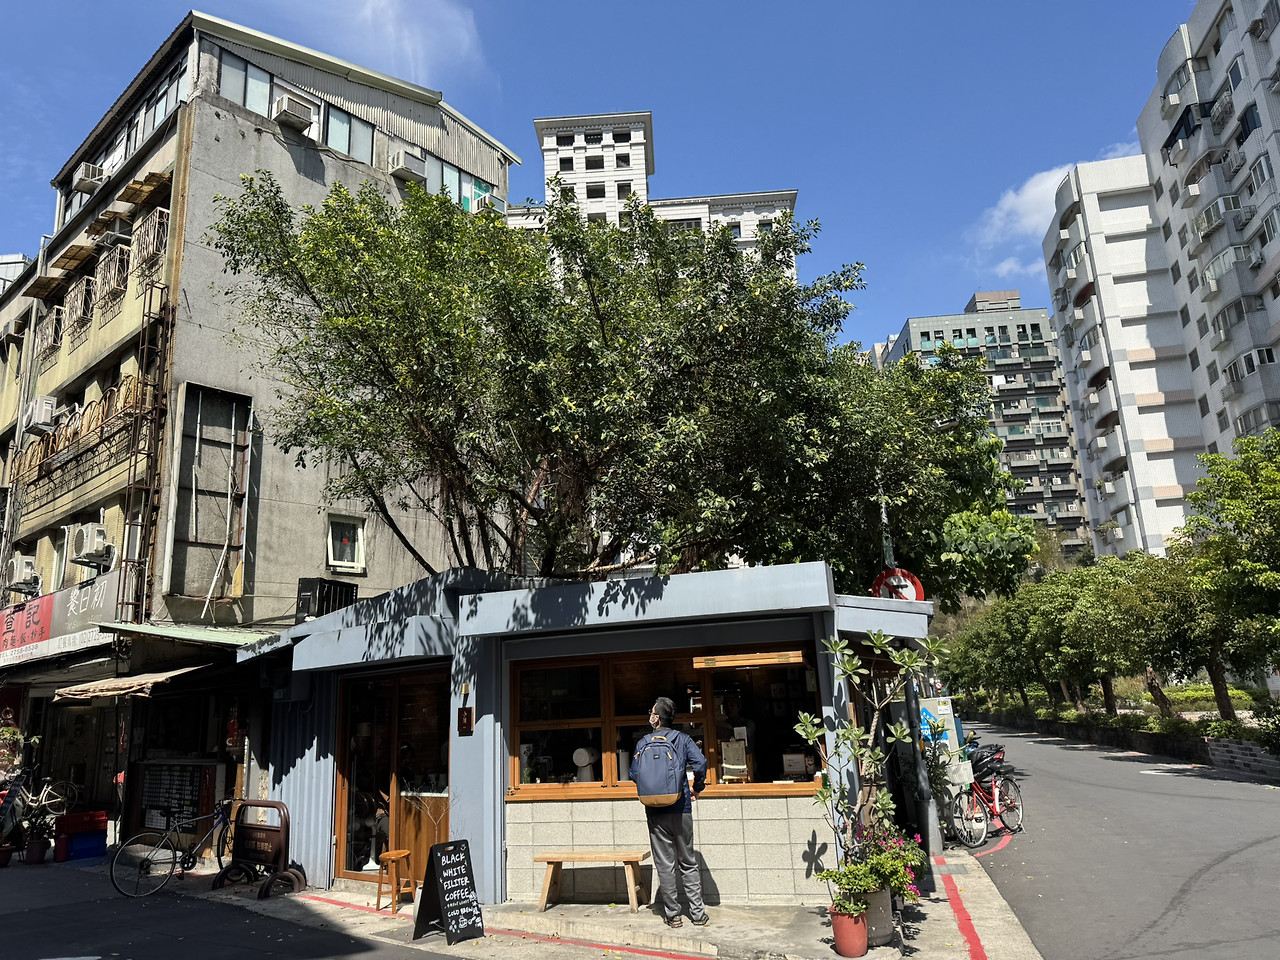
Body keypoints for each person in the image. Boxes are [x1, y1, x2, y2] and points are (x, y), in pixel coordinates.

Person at [630, 697, 709, 928]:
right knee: (688, 862)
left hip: (654, 811)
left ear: (657, 718)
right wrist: (697, 787)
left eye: (652, 712)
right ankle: (698, 914)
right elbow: (701, 763)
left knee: (664, 864)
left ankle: (673, 915)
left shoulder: (643, 742)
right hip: (681, 806)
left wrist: (652, 786)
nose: (650, 715)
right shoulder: (682, 739)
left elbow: (634, 773)